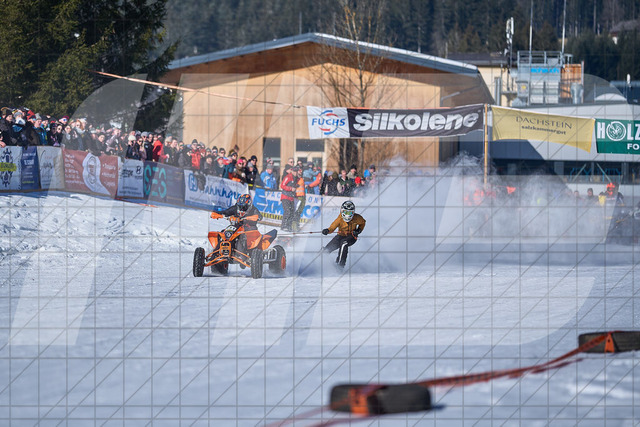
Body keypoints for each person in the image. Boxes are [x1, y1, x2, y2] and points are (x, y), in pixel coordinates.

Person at [322, 200, 366, 268]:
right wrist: (327, 231)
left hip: (352, 237)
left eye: (350, 212)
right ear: (342, 211)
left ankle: (340, 265)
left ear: (353, 212)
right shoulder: (340, 219)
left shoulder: (357, 218)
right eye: (346, 212)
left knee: (344, 243)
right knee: (327, 250)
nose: (347, 214)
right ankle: (318, 260)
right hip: (340, 235)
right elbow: (332, 227)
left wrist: (358, 230)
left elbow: (363, 223)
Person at [280, 166, 298, 231]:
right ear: (292, 171)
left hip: (291, 198)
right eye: (294, 171)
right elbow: (282, 185)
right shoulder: (288, 177)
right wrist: (290, 188)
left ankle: (289, 226)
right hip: (285, 197)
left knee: (292, 212)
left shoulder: (296, 178)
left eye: (296, 171)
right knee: (287, 211)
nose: (295, 173)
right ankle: (284, 226)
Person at [292, 166, 306, 231]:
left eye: (301, 170)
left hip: (302, 196)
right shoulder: (295, 178)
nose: (300, 171)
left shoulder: (301, 178)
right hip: (297, 197)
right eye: (299, 171)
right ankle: (294, 227)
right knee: (296, 212)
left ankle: (297, 225)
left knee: (299, 212)